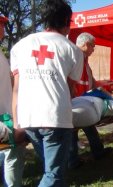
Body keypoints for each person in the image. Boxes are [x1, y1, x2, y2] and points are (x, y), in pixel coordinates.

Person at [10, 0, 84, 186]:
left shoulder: (20, 45)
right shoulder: (72, 50)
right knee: (54, 174)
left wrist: (18, 124)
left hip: (28, 118)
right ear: (67, 21)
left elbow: (16, 89)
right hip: (55, 118)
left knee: (50, 168)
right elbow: (69, 89)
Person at [68, 32, 113, 169]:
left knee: (89, 127)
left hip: (83, 102)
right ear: (85, 44)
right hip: (76, 102)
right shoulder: (75, 58)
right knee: (72, 132)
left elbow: (91, 81)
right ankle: (73, 161)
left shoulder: (84, 60)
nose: (94, 49)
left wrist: (105, 90)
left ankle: (96, 152)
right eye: (93, 46)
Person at [68, 88, 113, 168]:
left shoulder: (96, 95)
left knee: (73, 130)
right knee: (81, 128)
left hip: (74, 104)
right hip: (88, 109)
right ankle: (96, 153)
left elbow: (99, 89)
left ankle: (73, 160)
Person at [0, 14, 25, 187]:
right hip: (2, 119)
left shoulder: (1, 54)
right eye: (1, 25)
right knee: (15, 151)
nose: (3, 30)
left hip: (5, 113)